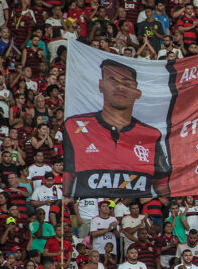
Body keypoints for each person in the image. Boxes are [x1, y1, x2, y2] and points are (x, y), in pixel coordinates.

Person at [63, 59, 171, 198]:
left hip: (136, 214)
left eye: (126, 83)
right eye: (112, 80)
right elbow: (66, 182)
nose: (120, 87)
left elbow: (163, 186)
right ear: (101, 85)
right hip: (91, 214)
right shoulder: (74, 126)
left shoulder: (152, 135)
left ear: (138, 93)